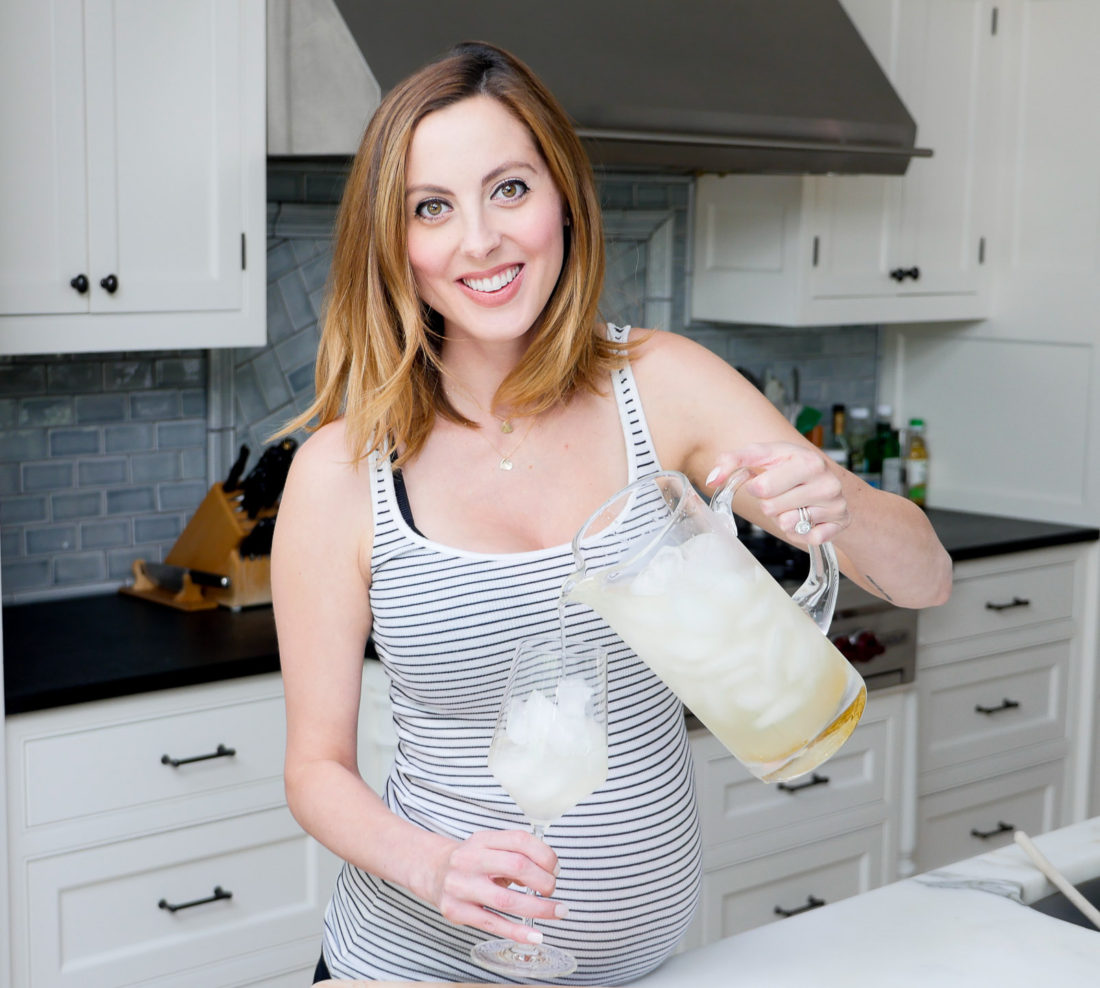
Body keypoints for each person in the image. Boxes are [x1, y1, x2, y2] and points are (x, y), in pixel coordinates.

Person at [271, 40, 953, 985]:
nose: (481, 239)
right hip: (410, 967)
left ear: (561, 199)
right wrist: (434, 868)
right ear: (395, 244)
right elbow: (315, 771)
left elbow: (925, 578)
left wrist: (846, 502)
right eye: (434, 208)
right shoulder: (340, 473)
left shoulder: (659, 386)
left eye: (509, 189)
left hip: (640, 967)